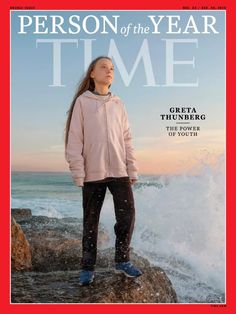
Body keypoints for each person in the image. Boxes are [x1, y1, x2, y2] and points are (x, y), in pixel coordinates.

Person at [64, 56, 142, 286]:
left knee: (127, 216)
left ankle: (122, 260)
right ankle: (87, 267)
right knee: (91, 221)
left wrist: (132, 168)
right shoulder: (82, 102)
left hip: (119, 169)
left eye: (112, 68)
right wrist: (78, 171)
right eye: (104, 67)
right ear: (92, 73)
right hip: (92, 172)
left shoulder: (119, 103)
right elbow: (75, 140)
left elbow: (127, 139)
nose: (109, 71)